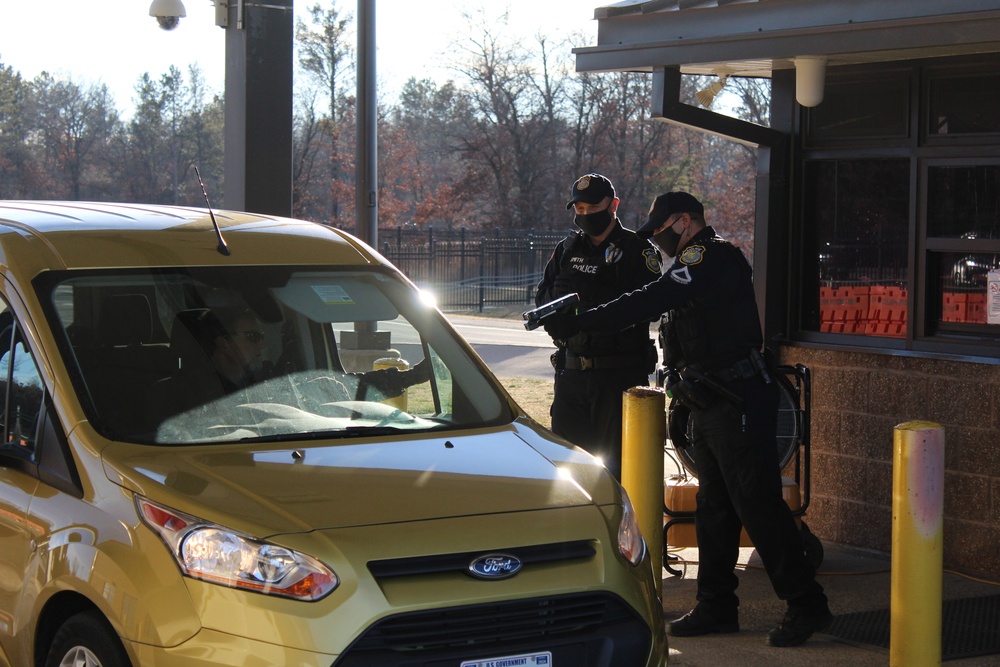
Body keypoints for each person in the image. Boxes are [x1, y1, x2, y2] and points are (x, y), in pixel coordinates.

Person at [542, 191, 832, 647]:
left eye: (661, 232)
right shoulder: (690, 264)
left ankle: (806, 603)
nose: (658, 243)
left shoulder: (711, 256)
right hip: (711, 401)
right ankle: (717, 605)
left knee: (757, 505)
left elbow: (650, 298)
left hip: (737, 400)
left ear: (684, 221)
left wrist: (586, 320)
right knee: (713, 507)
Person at [535, 173, 662, 480]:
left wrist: (594, 310)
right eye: (579, 209)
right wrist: (555, 317)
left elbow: (651, 306)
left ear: (613, 205)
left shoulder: (636, 250)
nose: (586, 215)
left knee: (616, 469)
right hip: (571, 374)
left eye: (593, 207)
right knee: (568, 468)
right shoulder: (567, 249)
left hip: (616, 375)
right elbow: (542, 295)